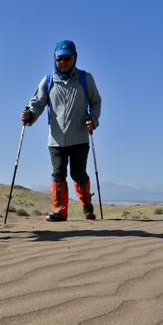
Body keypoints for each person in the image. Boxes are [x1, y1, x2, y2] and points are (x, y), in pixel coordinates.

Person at [21, 40, 102, 221]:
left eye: (67, 58)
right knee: (58, 173)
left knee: (77, 173)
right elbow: (37, 104)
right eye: (59, 59)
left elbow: (96, 102)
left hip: (80, 137)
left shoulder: (84, 78)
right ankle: (60, 211)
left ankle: (86, 205)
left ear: (75, 58)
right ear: (54, 59)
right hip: (56, 140)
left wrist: (93, 120)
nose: (63, 62)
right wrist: (29, 116)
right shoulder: (48, 81)